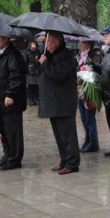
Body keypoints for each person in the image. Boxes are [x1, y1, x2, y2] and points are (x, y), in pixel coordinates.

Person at [38, 31, 80, 174]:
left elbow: (58, 74)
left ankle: (72, 163)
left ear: (56, 42)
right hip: (54, 102)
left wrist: (45, 63)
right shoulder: (51, 55)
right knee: (59, 135)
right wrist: (43, 61)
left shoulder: (66, 55)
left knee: (67, 135)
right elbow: (41, 70)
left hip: (63, 102)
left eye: (48, 42)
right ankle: (64, 160)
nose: (45, 45)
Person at [0, 33, 28, 170]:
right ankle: (7, 154)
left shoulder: (13, 55)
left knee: (13, 131)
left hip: (10, 101)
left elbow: (15, 77)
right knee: (3, 131)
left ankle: (15, 158)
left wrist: (10, 94)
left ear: (6, 39)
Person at [75, 40, 100, 152]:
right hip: (80, 91)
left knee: (90, 119)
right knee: (84, 119)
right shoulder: (80, 56)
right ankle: (88, 140)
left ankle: (93, 144)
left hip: (90, 91)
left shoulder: (94, 56)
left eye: (83, 42)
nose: (80, 44)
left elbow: (98, 70)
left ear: (89, 44)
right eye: (80, 42)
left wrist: (90, 66)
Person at [25, 40, 41, 106]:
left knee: (36, 86)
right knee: (30, 86)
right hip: (30, 71)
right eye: (32, 44)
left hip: (36, 70)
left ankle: (36, 98)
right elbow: (26, 62)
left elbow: (40, 62)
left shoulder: (38, 52)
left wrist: (37, 60)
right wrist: (26, 71)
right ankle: (31, 99)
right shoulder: (27, 52)